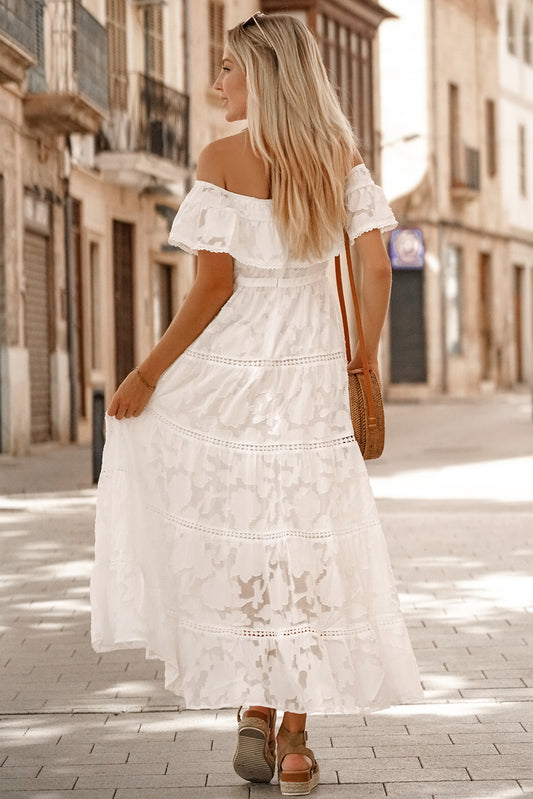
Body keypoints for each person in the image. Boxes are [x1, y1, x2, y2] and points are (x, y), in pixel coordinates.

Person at [90, 12, 423, 797]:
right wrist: (358, 357)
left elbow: (211, 287)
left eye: (228, 69)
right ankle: (297, 741)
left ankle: (253, 704)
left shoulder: (220, 157)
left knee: (246, 538)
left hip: (238, 372)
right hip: (312, 372)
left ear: (264, 76)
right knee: (306, 543)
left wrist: (147, 372)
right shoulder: (339, 155)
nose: (216, 83)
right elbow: (374, 268)